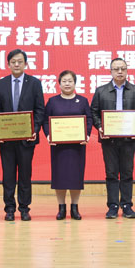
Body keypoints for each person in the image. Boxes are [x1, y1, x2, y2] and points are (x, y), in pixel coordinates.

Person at [0, 49, 45, 221]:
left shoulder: (34, 83)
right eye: (13, 62)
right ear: (8, 64)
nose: (16, 64)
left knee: (25, 175)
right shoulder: (1, 84)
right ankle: (9, 208)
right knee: (8, 175)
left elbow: (40, 110)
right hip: (6, 139)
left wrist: (34, 130)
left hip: (27, 139)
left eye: (20, 61)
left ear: (25, 64)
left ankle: (24, 208)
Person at [91, 57, 135, 219]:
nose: (120, 72)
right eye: (116, 69)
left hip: (128, 139)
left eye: (123, 68)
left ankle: (127, 205)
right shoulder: (101, 91)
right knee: (111, 173)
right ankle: (113, 206)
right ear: (111, 72)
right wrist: (100, 127)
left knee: (127, 172)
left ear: (127, 71)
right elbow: (93, 112)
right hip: (109, 139)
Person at [43, 70, 93, 220]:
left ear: (75, 83)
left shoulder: (82, 101)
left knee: (75, 177)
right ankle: (61, 208)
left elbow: (89, 119)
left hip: (77, 146)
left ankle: (75, 207)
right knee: (60, 177)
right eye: (64, 81)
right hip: (58, 147)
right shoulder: (52, 101)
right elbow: (46, 120)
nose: (67, 84)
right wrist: (49, 135)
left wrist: (87, 135)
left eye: (70, 81)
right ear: (59, 84)